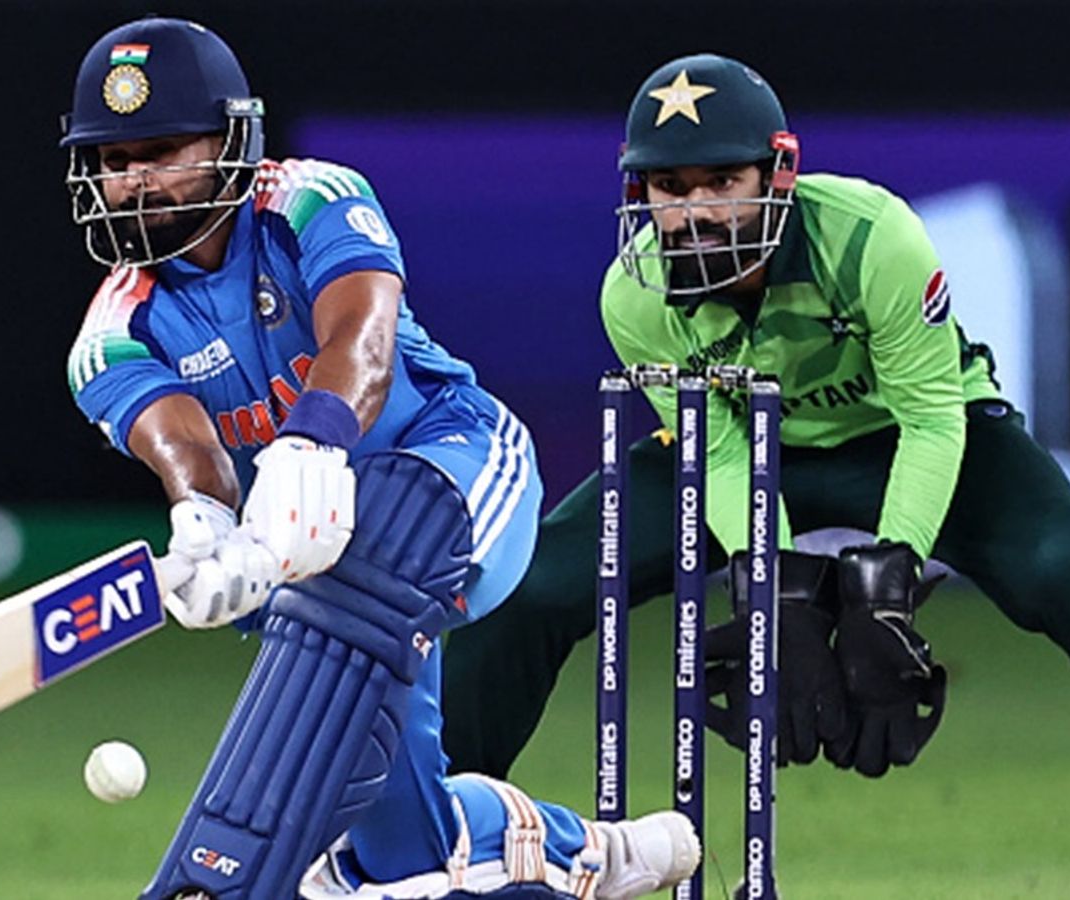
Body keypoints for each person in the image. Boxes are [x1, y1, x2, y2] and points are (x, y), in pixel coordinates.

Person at [440, 52, 1070, 900]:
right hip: (745, 447)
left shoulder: (871, 238)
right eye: (672, 189)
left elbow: (932, 416)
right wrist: (776, 586)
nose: (697, 212)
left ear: (778, 174)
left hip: (905, 433)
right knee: (530, 584)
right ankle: (438, 848)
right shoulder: (633, 297)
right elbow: (720, 451)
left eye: (722, 182)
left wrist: (887, 580)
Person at [58, 17, 700, 900]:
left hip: (452, 469)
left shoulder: (309, 200)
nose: (133, 182)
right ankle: (585, 854)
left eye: (160, 152)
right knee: (402, 854)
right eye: (113, 161)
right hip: (312, 564)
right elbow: (185, 443)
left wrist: (311, 444)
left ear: (229, 140)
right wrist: (203, 522)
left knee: (387, 535)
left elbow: (361, 338)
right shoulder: (108, 336)